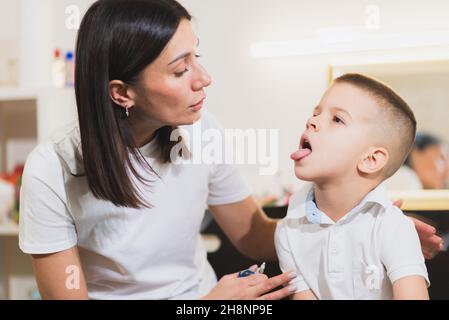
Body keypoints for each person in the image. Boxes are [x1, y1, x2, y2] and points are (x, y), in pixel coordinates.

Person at [18, 0, 441, 299]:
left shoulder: (202, 132)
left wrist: (358, 233)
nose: (204, 78)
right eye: (181, 69)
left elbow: (252, 233)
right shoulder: (52, 170)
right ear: (122, 92)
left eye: (196, 57)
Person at [275, 74, 430, 300]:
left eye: (337, 119)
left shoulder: (392, 227)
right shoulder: (288, 231)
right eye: (316, 113)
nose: (312, 121)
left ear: (371, 159)